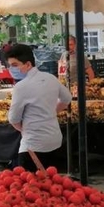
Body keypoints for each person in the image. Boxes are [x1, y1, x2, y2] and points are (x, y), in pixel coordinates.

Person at [7, 44, 72, 172]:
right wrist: (52, 112)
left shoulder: (21, 87)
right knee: (52, 184)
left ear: (28, 64)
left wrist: (25, 130)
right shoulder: (51, 78)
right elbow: (67, 98)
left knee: (30, 186)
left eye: (15, 65)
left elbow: (14, 119)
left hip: (33, 146)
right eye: (9, 65)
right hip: (55, 141)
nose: (11, 69)